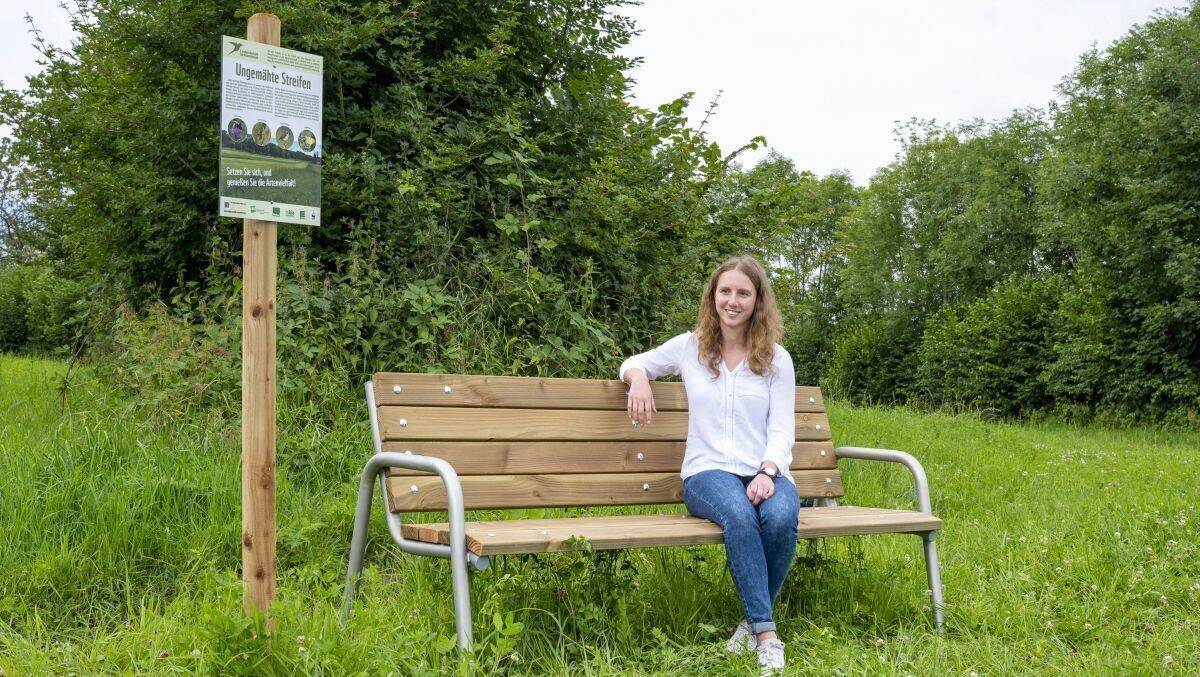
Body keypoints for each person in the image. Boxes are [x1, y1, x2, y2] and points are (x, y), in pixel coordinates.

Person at [620, 255, 798, 674]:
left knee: (782, 515)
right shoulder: (690, 346)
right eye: (725, 291)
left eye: (743, 293)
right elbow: (633, 362)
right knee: (739, 514)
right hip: (707, 473)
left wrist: (768, 471)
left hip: (765, 469)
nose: (732, 301)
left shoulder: (776, 359)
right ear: (713, 296)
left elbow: (783, 428)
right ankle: (767, 635)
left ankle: (749, 623)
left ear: (757, 301)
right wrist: (640, 378)